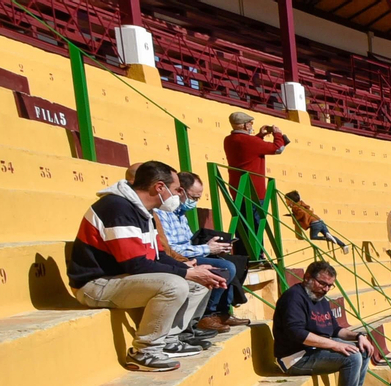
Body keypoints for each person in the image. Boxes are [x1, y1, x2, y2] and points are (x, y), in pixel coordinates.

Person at [68, 160, 225, 372]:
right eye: (176, 189)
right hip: (95, 284)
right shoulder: (117, 207)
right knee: (175, 285)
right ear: (159, 187)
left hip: (121, 278)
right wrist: (187, 272)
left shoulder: (142, 210)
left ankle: (169, 338)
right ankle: (145, 351)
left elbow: (157, 255)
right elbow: (135, 264)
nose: (178, 195)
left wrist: (190, 268)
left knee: (199, 283)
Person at [273, 260, 381, 386]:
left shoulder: (320, 299)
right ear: (307, 277)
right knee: (352, 357)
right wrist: (335, 345)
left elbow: (335, 330)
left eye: (330, 286)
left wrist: (359, 336)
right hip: (295, 358)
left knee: (362, 349)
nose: (326, 289)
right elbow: (296, 333)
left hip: (314, 351)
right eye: (322, 283)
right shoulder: (293, 298)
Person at [153, 171, 245, 333]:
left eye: (197, 199)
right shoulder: (162, 213)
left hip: (190, 253)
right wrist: (206, 248)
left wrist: (211, 246)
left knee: (236, 262)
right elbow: (171, 249)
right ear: (180, 191)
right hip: (177, 258)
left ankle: (223, 312)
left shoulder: (181, 214)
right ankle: (207, 315)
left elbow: (188, 241)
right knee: (226, 268)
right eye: (193, 198)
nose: (194, 203)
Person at [222, 112, 287, 258]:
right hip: (254, 191)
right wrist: (278, 134)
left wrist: (259, 136)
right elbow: (278, 148)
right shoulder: (249, 141)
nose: (252, 126)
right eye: (250, 124)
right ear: (246, 125)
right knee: (257, 224)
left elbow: (248, 149)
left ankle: (242, 256)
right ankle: (257, 255)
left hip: (237, 188)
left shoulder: (229, 140)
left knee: (242, 223)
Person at [283, 190, 348, 248]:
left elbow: (302, 213)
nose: (286, 202)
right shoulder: (301, 204)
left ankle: (326, 238)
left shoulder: (295, 207)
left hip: (314, 223)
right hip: (320, 221)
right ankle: (343, 245)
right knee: (329, 234)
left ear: (291, 200)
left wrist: (296, 217)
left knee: (313, 237)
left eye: (287, 200)